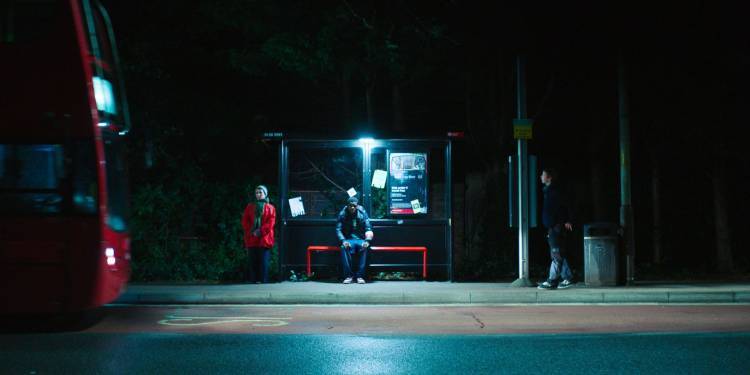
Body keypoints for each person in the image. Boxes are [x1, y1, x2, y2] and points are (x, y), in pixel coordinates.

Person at [538, 168, 574, 290]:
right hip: (552, 227)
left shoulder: (555, 192)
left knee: (556, 254)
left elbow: (566, 205)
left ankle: (552, 280)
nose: (540, 176)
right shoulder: (548, 191)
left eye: (543, 175)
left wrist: (568, 220)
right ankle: (568, 278)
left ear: (549, 177)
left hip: (556, 227)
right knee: (558, 253)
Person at [241, 185, 276, 283]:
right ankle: (253, 280)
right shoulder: (250, 206)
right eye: (257, 192)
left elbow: (271, 222)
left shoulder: (271, 208)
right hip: (252, 237)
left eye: (260, 192)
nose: (258, 194)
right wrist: (252, 231)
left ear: (265, 194)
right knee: (252, 261)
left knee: (263, 261)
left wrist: (260, 231)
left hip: (264, 238)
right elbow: (245, 220)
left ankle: (263, 280)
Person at [336, 197, 374, 284]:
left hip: (360, 239)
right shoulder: (342, 214)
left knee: (365, 247)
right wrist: (343, 240)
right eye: (350, 206)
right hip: (348, 239)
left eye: (354, 206)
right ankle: (349, 276)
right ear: (347, 206)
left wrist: (367, 240)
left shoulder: (362, 212)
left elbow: (368, 227)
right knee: (343, 247)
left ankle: (360, 276)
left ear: (357, 206)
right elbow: (338, 229)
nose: (352, 207)